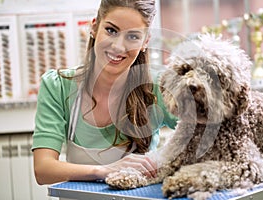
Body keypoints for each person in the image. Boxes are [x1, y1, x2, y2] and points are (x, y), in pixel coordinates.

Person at [32, 0, 177, 185]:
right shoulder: (58, 86)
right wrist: (105, 171)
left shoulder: (158, 86)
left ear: (145, 42)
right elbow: (43, 170)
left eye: (133, 37)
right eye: (111, 30)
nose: (118, 47)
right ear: (94, 27)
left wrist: (164, 161)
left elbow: (205, 134)